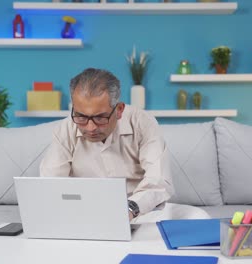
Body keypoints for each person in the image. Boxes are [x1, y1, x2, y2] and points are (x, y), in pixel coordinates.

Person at [40, 68, 174, 220]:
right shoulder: (65, 129)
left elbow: (160, 181)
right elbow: (50, 184)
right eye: (81, 117)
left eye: (100, 117)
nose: (90, 128)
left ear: (119, 110)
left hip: (139, 213)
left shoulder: (143, 123)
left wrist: (130, 209)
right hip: (83, 214)